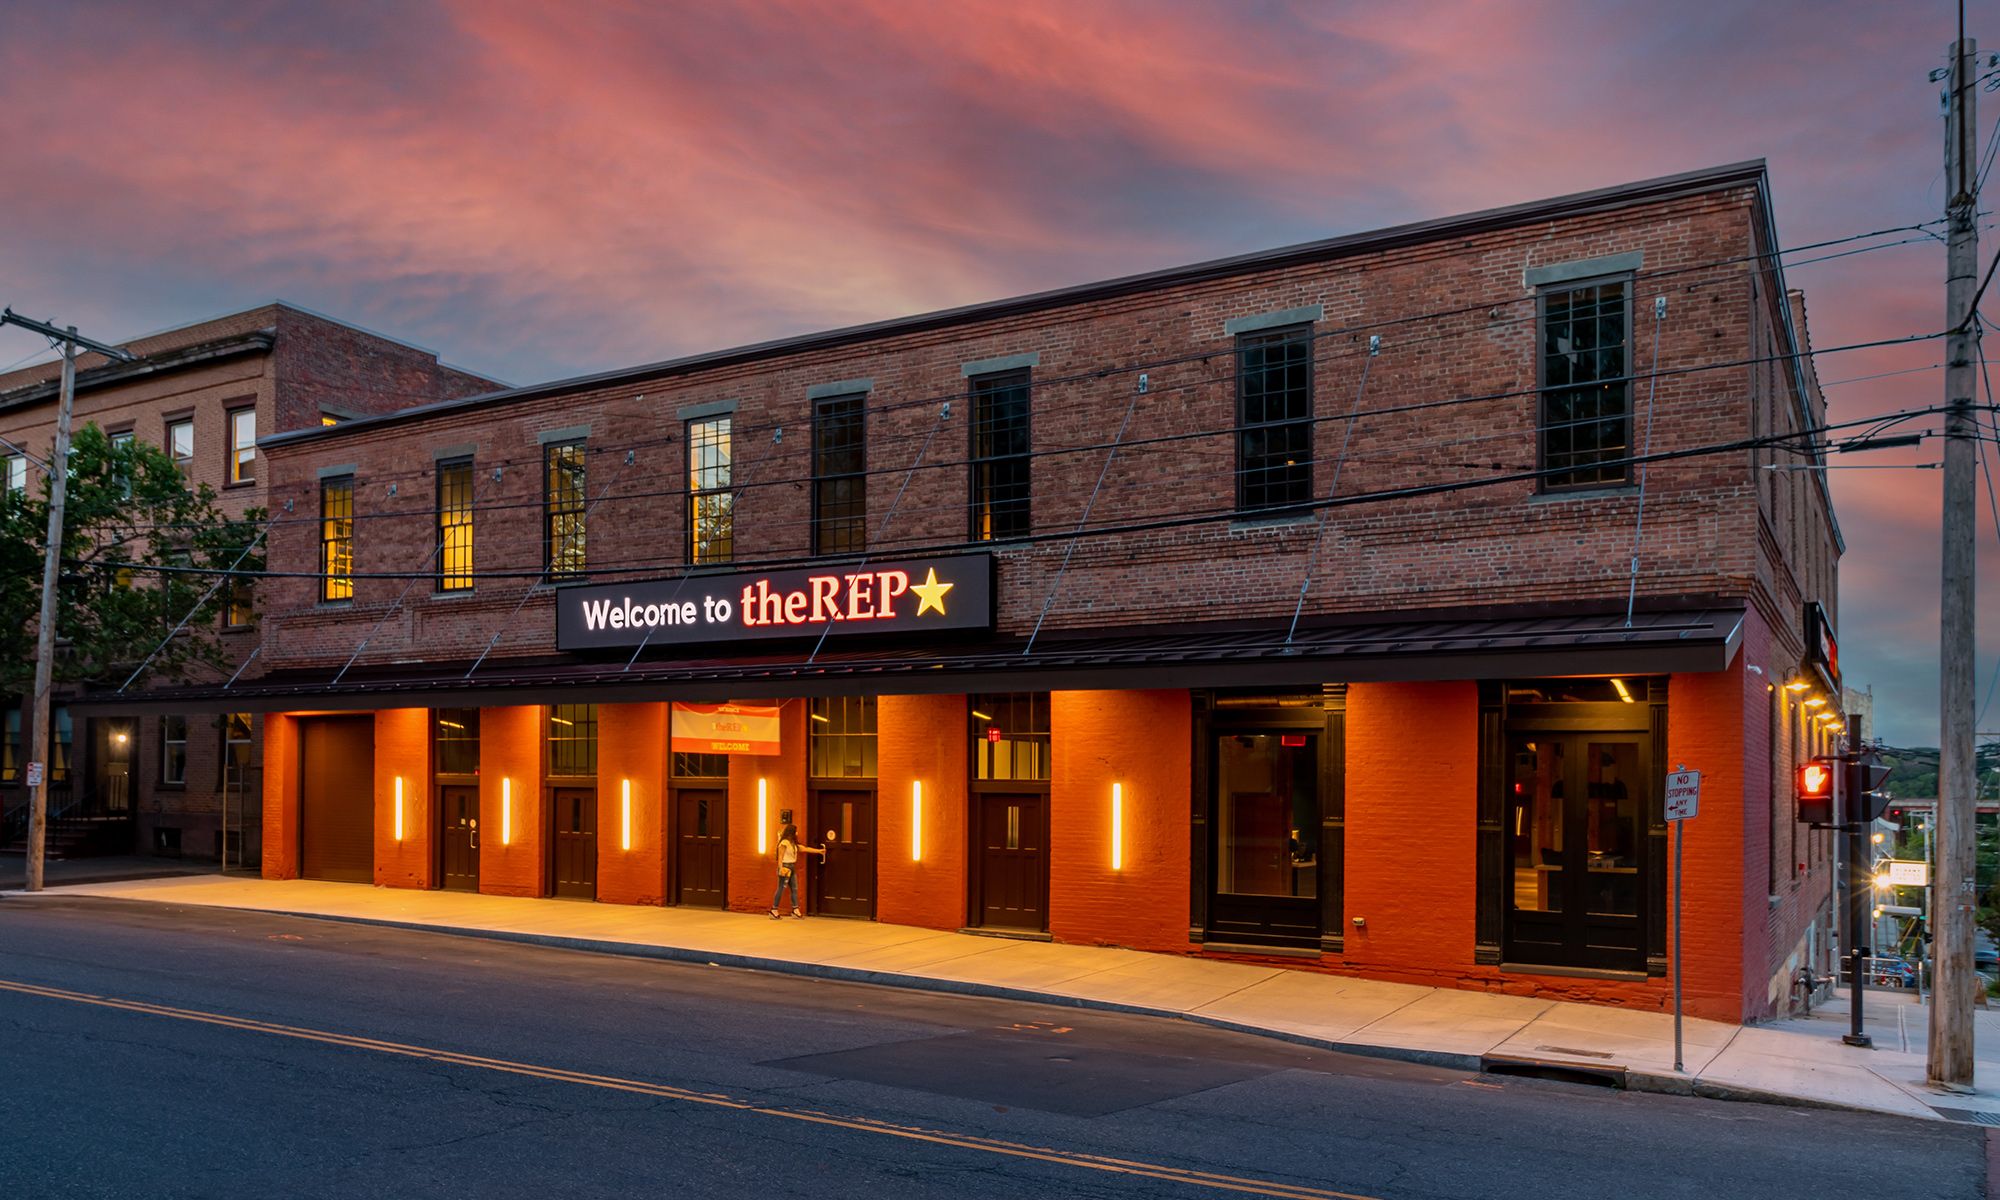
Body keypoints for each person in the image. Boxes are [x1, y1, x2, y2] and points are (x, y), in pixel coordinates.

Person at [770, 823, 824, 918]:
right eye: (796, 831)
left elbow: (804, 849)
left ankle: (795, 910)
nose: (797, 833)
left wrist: (819, 851)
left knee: (794, 889)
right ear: (791, 832)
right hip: (785, 866)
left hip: (792, 867)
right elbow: (780, 856)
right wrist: (780, 868)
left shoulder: (793, 843)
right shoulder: (784, 843)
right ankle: (774, 910)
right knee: (781, 888)